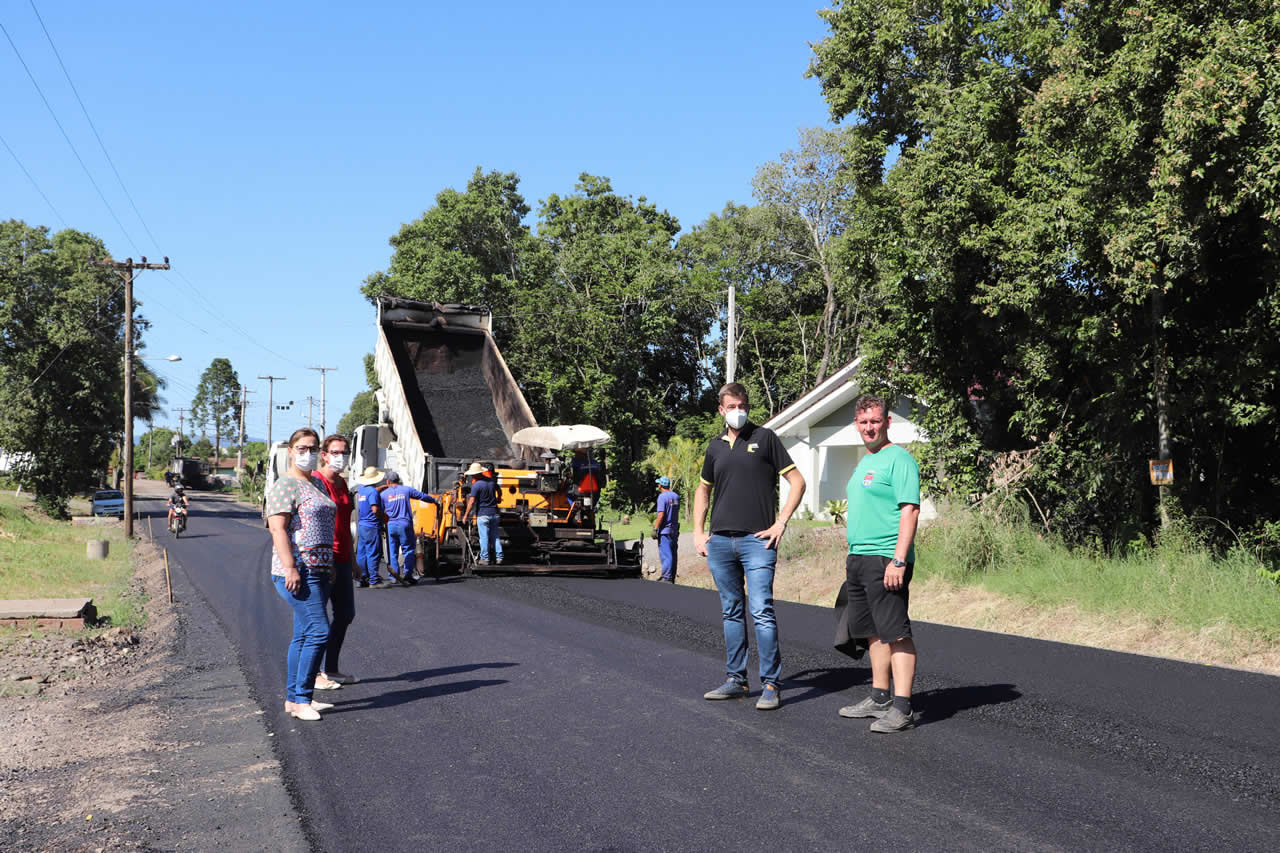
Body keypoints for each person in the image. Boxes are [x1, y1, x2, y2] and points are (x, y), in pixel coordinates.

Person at [694, 382, 806, 711]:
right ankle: (736, 680)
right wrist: (699, 533)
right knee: (731, 612)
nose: (737, 411)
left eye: (742, 405)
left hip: (757, 541)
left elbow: (797, 481)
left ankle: (770, 684)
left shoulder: (765, 438)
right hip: (720, 543)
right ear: (721, 410)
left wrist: (780, 522)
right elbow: (704, 489)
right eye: (731, 406)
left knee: (761, 612)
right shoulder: (714, 447)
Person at [837, 394, 922, 733]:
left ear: (888, 422)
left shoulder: (899, 460)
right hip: (859, 559)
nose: (869, 427)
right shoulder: (865, 461)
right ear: (856, 424)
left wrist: (899, 560)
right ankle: (880, 697)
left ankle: (902, 708)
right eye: (863, 422)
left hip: (887, 558)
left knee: (896, 633)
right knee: (872, 632)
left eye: (875, 421)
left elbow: (910, 510)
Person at [265, 427, 336, 722]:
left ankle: (295, 699)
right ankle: (302, 698)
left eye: (313, 448)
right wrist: (291, 566)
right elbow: (278, 528)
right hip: (296, 571)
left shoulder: (315, 486)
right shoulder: (286, 485)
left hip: (318, 569)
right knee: (319, 631)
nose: (308, 453)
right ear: (292, 452)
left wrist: (329, 563)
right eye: (302, 448)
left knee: (304, 633)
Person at [311, 434, 358, 690]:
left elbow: (345, 525)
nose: (341, 457)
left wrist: (353, 560)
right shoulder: (317, 482)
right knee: (318, 620)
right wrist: (326, 560)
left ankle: (331, 669)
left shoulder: (342, 483)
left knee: (345, 614)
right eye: (336, 452)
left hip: (342, 558)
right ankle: (315, 673)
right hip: (324, 560)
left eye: (345, 452)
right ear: (325, 455)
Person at [381, 471, 437, 585]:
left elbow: (380, 511)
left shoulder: (383, 494)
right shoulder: (406, 490)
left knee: (393, 552)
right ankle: (407, 575)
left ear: (387, 482)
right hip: (405, 525)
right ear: (398, 480)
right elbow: (422, 496)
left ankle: (393, 576)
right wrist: (434, 501)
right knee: (408, 550)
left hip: (391, 525)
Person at [462, 462, 503, 566]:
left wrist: (466, 515)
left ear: (475, 474)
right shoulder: (492, 482)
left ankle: (485, 559)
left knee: (484, 537)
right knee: (495, 536)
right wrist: (498, 498)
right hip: (495, 513)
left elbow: (471, 502)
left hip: (483, 514)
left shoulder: (476, 485)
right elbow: (499, 490)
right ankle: (499, 558)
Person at [354, 466, 387, 587]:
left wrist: (381, 488)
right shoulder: (373, 492)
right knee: (373, 552)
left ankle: (361, 578)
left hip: (362, 525)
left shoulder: (362, 490)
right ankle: (374, 579)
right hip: (371, 525)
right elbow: (375, 509)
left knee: (361, 552)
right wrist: (383, 517)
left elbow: (371, 492)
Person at [653, 476, 680, 583]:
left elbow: (661, 514)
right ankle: (671, 576)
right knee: (673, 553)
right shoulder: (676, 497)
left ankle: (666, 577)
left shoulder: (662, 497)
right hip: (674, 530)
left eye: (658, 484)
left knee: (666, 554)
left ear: (661, 485)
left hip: (664, 531)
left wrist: (655, 529)